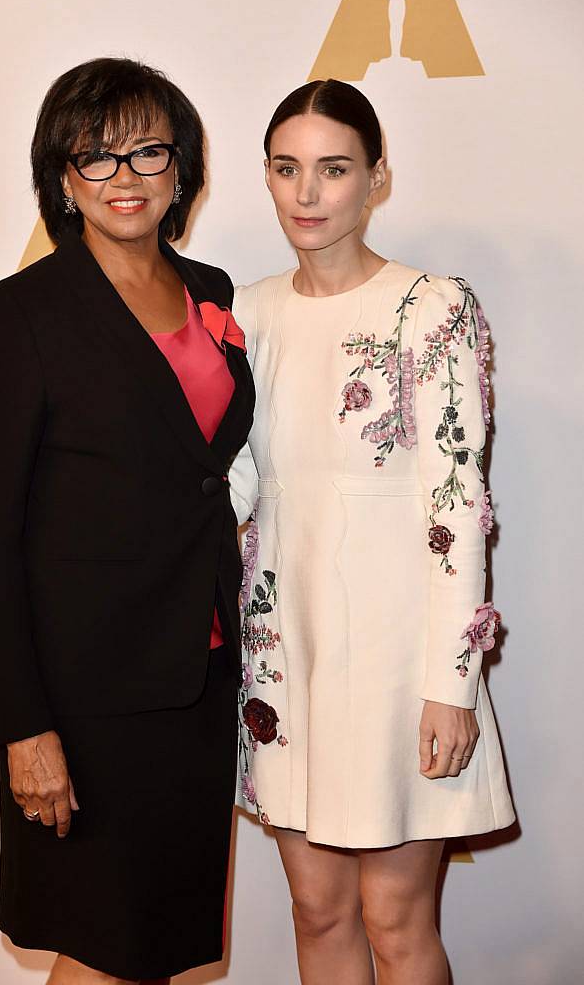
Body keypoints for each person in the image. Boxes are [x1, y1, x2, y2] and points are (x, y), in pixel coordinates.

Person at [0, 57, 254, 985]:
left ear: (181, 170)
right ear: (61, 178)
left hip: (199, 671)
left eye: (146, 152)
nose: (123, 178)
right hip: (84, 691)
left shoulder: (212, 288)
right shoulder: (20, 314)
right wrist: (22, 725)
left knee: (160, 948)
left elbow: (203, 470)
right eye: (95, 157)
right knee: (103, 952)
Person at [229, 79, 515, 985]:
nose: (307, 195)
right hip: (284, 653)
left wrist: (450, 681)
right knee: (317, 913)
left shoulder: (433, 308)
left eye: (334, 169)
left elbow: (458, 504)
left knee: (394, 919)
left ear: (376, 177)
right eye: (287, 169)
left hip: (400, 658)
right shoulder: (245, 313)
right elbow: (231, 490)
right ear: (267, 179)